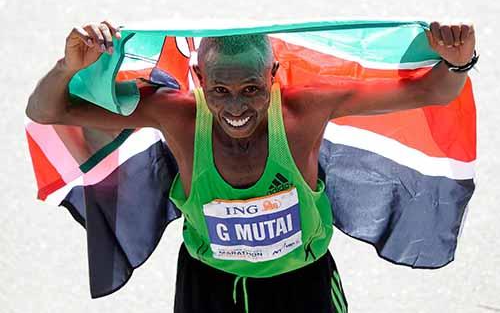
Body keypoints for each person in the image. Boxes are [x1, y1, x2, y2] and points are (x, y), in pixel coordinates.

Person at [25, 20, 476, 313]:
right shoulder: (178, 116)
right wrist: (68, 66)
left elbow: (430, 93)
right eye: (220, 91)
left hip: (301, 287)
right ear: (200, 80)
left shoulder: (303, 113)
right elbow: (48, 110)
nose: (236, 106)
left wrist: (458, 62)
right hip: (210, 288)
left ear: (273, 76)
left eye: (252, 89)